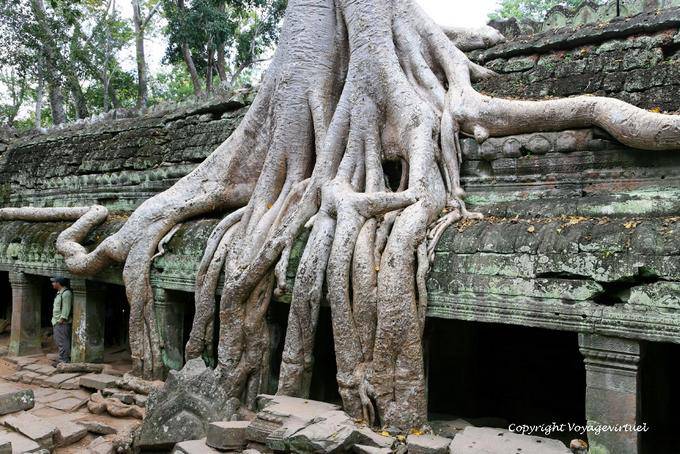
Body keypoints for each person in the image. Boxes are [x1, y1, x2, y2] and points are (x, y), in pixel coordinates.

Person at [50, 276, 72, 364]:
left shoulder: (66, 293)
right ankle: (62, 358)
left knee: (63, 341)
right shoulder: (60, 292)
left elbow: (66, 308)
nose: (52, 284)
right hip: (56, 321)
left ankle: (64, 361)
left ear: (58, 283)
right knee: (59, 341)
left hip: (62, 322)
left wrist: (62, 319)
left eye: (54, 282)